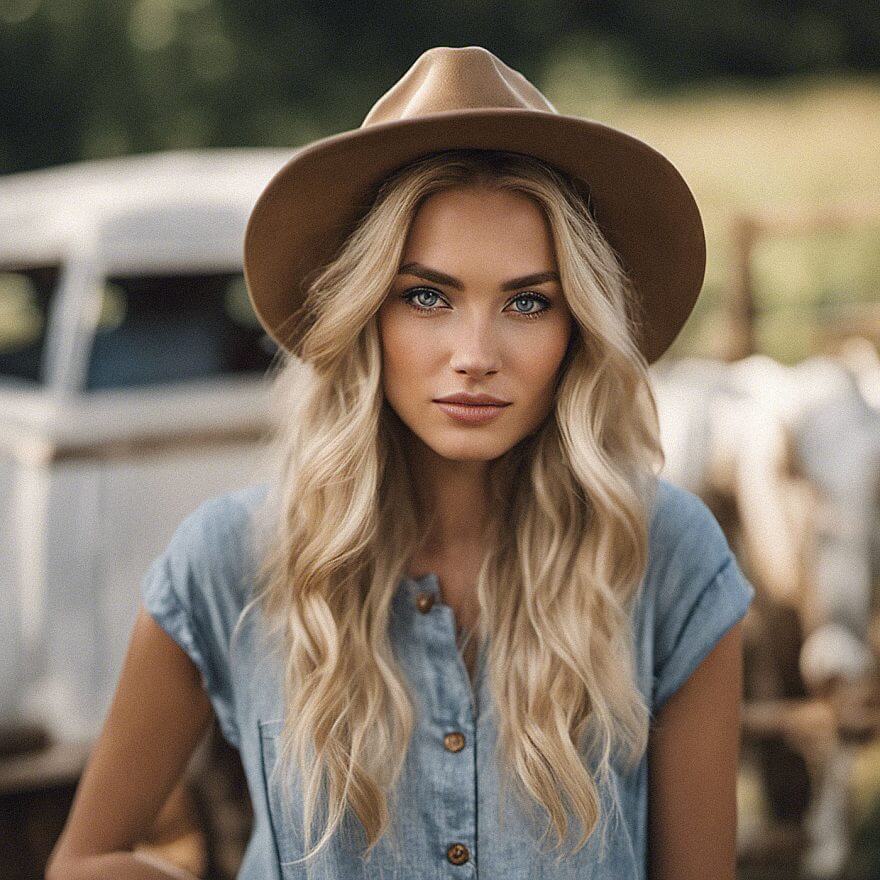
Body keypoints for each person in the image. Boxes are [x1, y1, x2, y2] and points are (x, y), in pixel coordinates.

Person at [46, 46, 755, 880]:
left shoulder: (668, 558)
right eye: (427, 296)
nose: (474, 354)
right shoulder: (231, 560)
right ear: (364, 315)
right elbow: (86, 861)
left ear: (578, 332)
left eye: (529, 302)